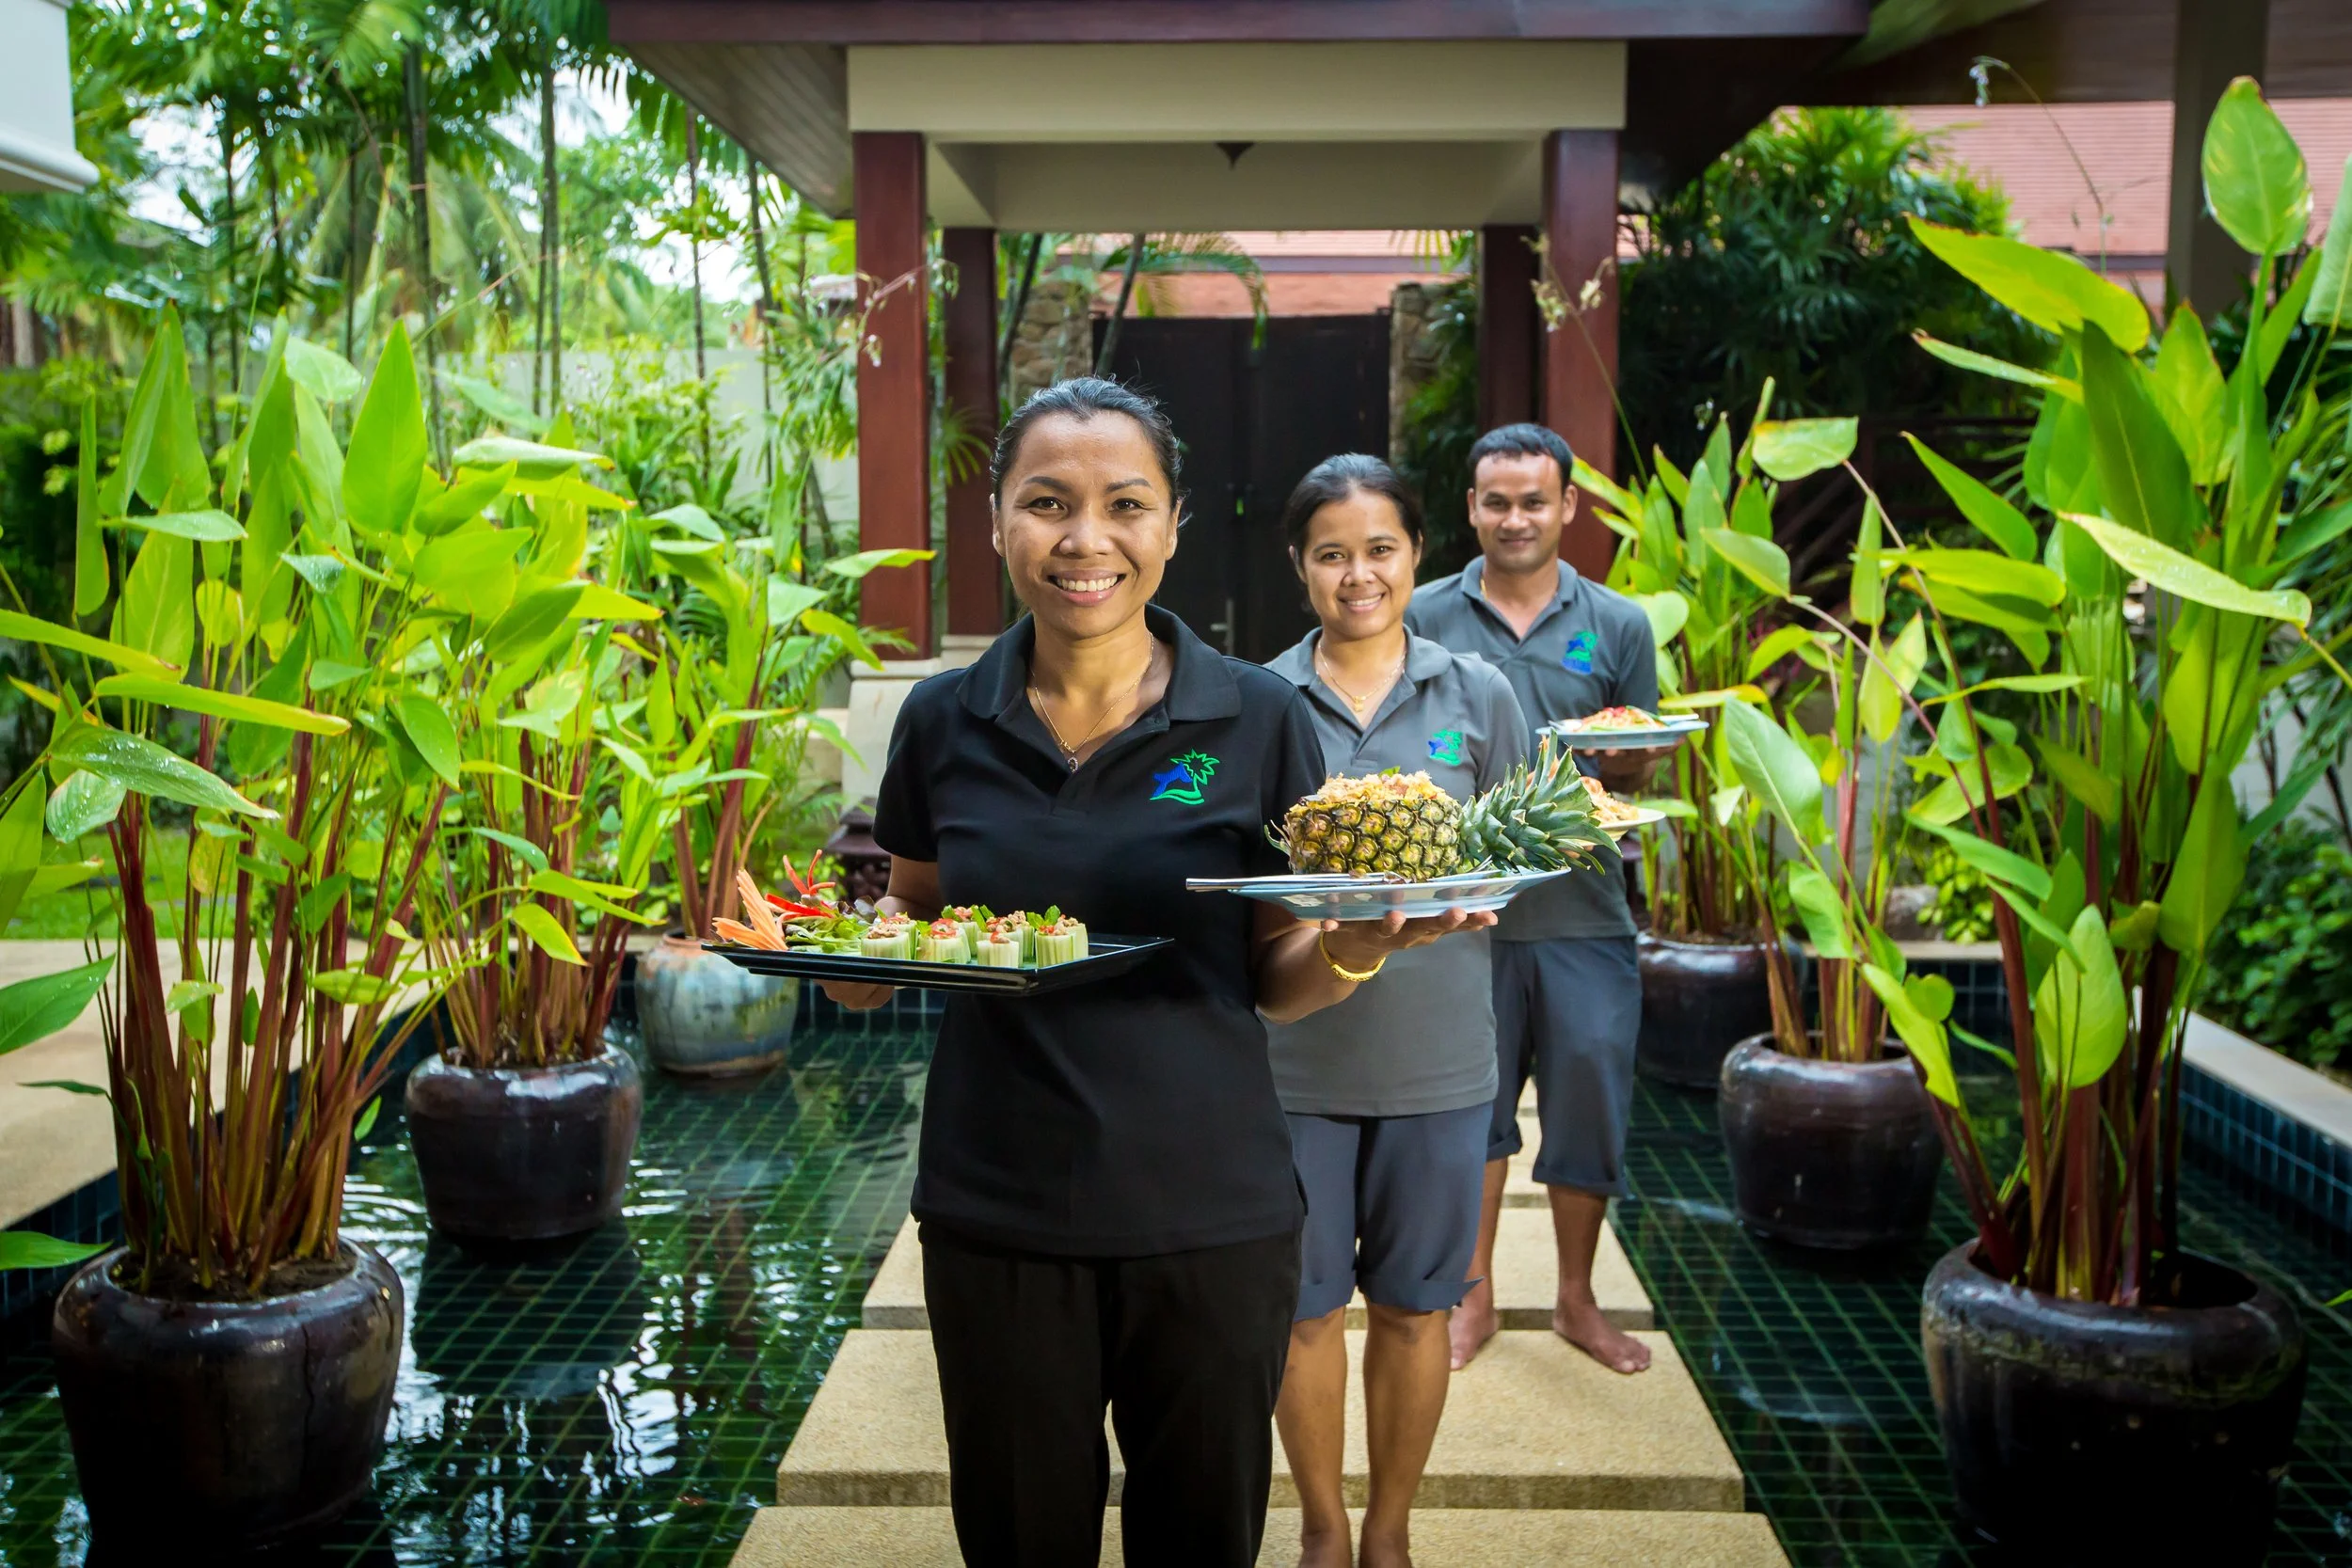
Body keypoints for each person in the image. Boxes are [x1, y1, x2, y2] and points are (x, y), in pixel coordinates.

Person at [819, 379, 1493, 1568]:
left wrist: (1354, 944)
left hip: (1210, 1211)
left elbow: (1275, 971)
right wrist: (841, 962)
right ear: (996, 520)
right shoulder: (939, 720)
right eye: (1047, 503)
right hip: (1000, 1207)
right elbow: (910, 926)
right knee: (1022, 1536)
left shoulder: (1259, 715)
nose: (1086, 540)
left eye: (1124, 503)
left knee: (1199, 1535)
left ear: (1173, 524)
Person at [1261, 455, 1531, 1568]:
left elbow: (1517, 857)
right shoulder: (1257, 697)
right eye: (1331, 551)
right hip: (1292, 1065)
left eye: (1380, 548)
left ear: (1419, 553)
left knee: (1419, 1307)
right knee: (1303, 1309)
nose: (1357, 573)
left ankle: (1388, 1529)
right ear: (1299, 566)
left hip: (1438, 1063)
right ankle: (1323, 1526)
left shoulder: (1481, 694)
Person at [1405, 423, 1673, 1377]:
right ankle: (1471, 1294)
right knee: (1469, 1103)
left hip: (1583, 907)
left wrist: (1629, 758)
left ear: (1566, 506)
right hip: (1460, 911)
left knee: (1589, 1097)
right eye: (1495, 500)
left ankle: (1574, 1296)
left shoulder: (1620, 624)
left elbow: (1635, 750)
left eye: (1532, 499)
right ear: (1471, 508)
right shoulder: (1421, 613)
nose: (1514, 516)